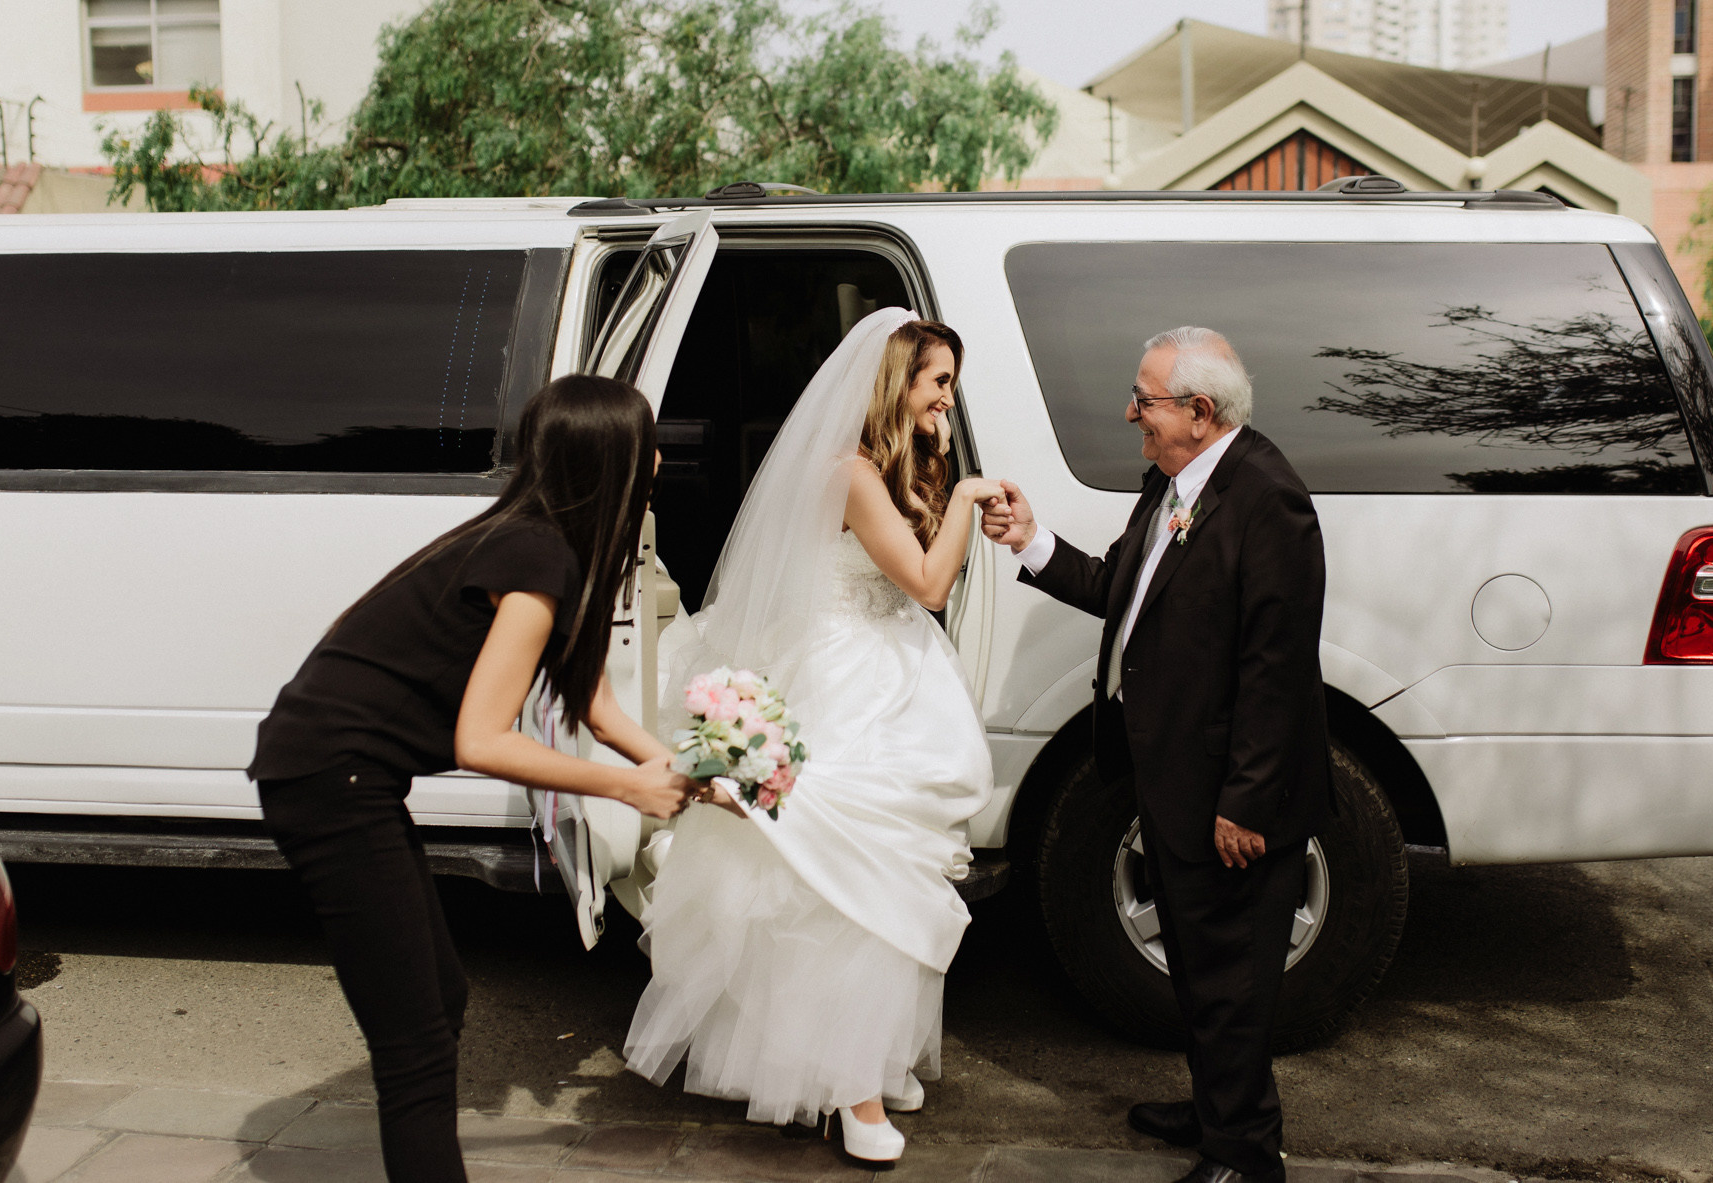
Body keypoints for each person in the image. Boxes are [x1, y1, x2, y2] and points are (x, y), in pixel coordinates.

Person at [248, 375, 703, 1183]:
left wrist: (673, 765)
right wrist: (627, 789)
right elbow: (483, 738)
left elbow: (596, 704)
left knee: (442, 998)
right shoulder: (535, 558)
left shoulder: (547, 545)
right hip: (327, 773)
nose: (661, 455)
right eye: (648, 441)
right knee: (416, 1042)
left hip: (349, 771)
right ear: (616, 461)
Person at [624, 308, 998, 1165]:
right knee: (837, 881)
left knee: (882, 879)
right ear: (896, 382)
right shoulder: (853, 473)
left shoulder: (894, 466)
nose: (948, 398)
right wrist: (971, 497)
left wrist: (947, 479)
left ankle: (859, 1064)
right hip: (846, 682)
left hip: (892, 673)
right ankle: (850, 1090)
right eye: (938, 381)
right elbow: (931, 582)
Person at [981, 327, 1330, 1183]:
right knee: (1201, 970)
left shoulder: (1268, 500)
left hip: (1231, 798)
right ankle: (1219, 1107)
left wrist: (1244, 801)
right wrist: (1031, 539)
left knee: (1231, 983)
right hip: (1172, 781)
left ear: (1201, 412)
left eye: (1146, 398)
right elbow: (1120, 590)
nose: (1130, 411)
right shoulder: (1177, 481)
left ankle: (1245, 1156)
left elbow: (1276, 670)